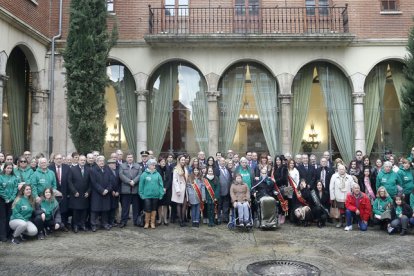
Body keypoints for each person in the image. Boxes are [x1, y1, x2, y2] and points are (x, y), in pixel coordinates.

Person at [139, 159, 164, 229]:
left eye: (154, 165)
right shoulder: (144, 174)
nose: (154, 166)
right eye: (152, 165)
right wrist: (141, 194)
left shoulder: (157, 174)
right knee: (147, 209)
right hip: (147, 195)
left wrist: (161, 193)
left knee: (154, 209)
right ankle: (147, 223)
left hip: (155, 195)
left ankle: (152, 223)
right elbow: (141, 185)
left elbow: (161, 184)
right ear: (149, 165)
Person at [89, 156, 113, 232]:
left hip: (106, 193)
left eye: (103, 161)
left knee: (105, 210)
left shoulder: (107, 169)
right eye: (100, 161)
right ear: (96, 162)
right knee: (95, 210)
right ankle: (93, 225)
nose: (102, 162)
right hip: (97, 194)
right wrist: (102, 190)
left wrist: (107, 189)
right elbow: (94, 183)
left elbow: (110, 181)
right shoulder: (93, 170)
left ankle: (104, 223)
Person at [119, 152, 142, 228]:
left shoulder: (137, 166)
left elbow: (139, 175)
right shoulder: (122, 166)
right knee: (125, 208)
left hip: (135, 190)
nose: (130, 158)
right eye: (128, 157)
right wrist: (129, 181)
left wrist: (134, 181)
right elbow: (121, 175)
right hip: (126, 190)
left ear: (133, 158)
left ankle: (136, 221)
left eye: (131, 157)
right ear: (126, 158)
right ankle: (123, 221)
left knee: (136, 207)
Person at [48, 154, 71, 231]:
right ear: (54, 159)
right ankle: (53, 225)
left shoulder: (67, 167)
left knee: (64, 209)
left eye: (60, 158)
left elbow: (69, 181)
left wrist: (69, 192)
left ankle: (63, 224)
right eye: (57, 158)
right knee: (54, 209)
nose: (59, 160)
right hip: (53, 192)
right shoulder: (49, 168)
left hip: (65, 191)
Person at [68, 155, 90, 233]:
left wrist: (88, 192)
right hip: (76, 194)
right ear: (78, 161)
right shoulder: (73, 169)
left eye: (84, 160)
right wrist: (74, 191)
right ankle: (75, 225)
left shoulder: (88, 169)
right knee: (76, 211)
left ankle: (82, 224)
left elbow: (90, 183)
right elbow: (69, 182)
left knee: (84, 211)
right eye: (81, 160)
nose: (83, 161)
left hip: (85, 194)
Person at [0, 162, 19, 242]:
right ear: (4, 168)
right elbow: (0, 189)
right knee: (2, 218)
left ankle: (8, 235)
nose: (9, 169)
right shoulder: (0, 177)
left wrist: (11, 198)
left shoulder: (14, 178)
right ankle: (2, 236)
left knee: (9, 217)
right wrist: (6, 197)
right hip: (2, 200)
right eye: (7, 168)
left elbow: (15, 189)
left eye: (11, 168)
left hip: (11, 201)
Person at [172, 155, 189, 227]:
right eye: (182, 160)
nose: (183, 161)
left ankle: (183, 219)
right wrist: (177, 190)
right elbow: (175, 180)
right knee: (179, 204)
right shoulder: (176, 169)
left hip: (185, 189)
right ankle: (180, 220)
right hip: (179, 189)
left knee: (184, 205)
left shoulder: (185, 168)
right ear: (179, 161)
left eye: (184, 160)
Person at [217, 157, 232, 223]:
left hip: (227, 191)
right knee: (219, 206)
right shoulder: (217, 170)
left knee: (226, 205)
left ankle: (225, 218)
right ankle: (219, 218)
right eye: (221, 161)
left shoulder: (228, 169)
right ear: (219, 162)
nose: (223, 162)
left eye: (224, 161)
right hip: (220, 191)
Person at [107, 159, 120, 228]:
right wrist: (111, 190)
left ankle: (112, 221)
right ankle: (109, 221)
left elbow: (119, 182)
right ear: (109, 165)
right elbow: (107, 182)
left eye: (115, 163)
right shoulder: (106, 171)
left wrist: (118, 191)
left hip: (116, 193)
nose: (114, 165)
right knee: (109, 208)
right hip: (109, 193)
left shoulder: (117, 171)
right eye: (112, 164)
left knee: (114, 207)